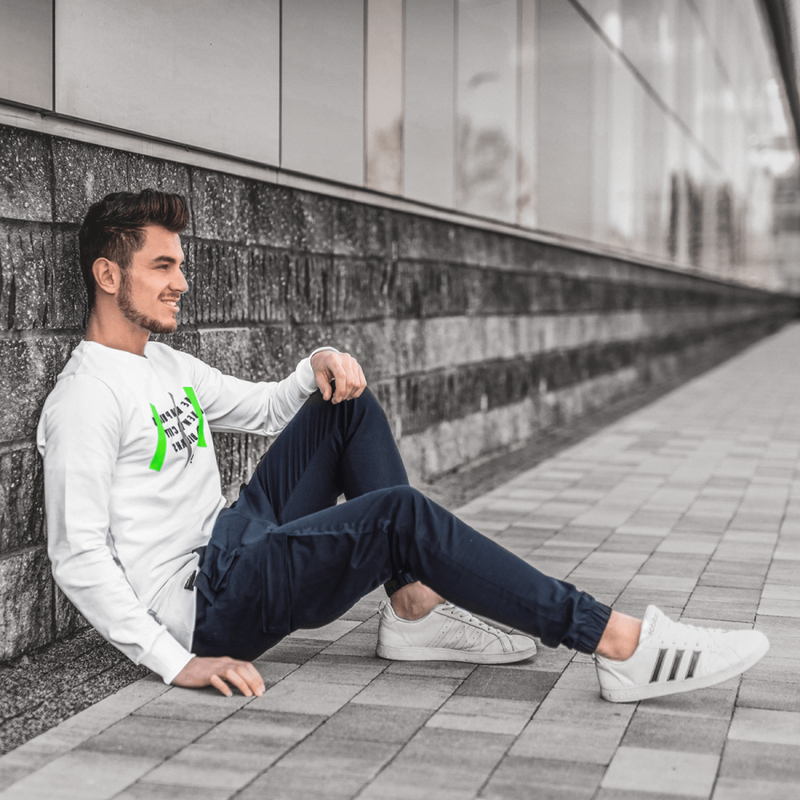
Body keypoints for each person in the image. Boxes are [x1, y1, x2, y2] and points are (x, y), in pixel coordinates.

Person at [37, 189, 769, 705]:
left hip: (233, 541)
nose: (182, 283)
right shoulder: (86, 399)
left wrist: (319, 361)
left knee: (346, 407)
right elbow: (77, 556)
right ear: (108, 274)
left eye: (180, 265)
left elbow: (264, 409)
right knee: (398, 516)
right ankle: (618, 643)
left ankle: (413, 609)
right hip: (205, 604)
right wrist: (176, 663)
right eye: (163, 267)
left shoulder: (163, 364)